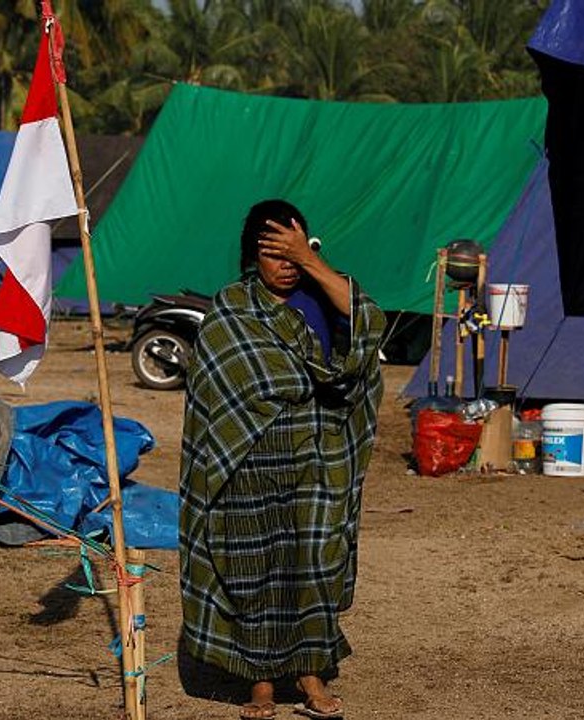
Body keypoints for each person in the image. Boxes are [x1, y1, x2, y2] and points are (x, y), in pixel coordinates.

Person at [178, 199, 386, 720]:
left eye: (294, 252)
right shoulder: (232, 307)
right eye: (274, 255)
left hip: (317, 455)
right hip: (249, 457)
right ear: (254, 257)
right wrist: (285, 388)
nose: (286, 265)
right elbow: (219, 385)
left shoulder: (324, 294)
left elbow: (372, 325)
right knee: (254, 567)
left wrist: (313, 262)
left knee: (313, 563)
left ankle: (311, 674)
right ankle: (261, 683)